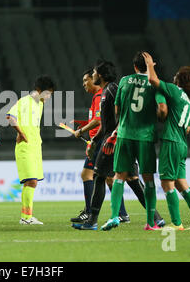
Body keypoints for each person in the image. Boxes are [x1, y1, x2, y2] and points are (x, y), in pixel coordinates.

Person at [73, 60, 165, 230]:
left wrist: (114, 137)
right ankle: (156, 218)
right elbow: (105, 123)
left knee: (99, 176)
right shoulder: (107, 91)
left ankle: (92, 221)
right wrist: (94, 141)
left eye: (93, 72)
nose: (92, 75)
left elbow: (122, 116)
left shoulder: (112, 90)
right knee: (132, 180)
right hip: (115, 138)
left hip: (115, 141)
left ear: (100, 75)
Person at [101, 52, 167, 231]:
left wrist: (121, 126)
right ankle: (150, 222)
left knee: (119, 176)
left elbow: (117, 109)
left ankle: (115, 216)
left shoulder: (124, 81)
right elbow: (162, 110)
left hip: (124, 134)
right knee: (148, 179)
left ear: (135, 67)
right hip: (145, 137)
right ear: (151, 65)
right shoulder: (155, 85)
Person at [143, 52, 190, 230]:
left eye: (175, 77)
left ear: (179, 80)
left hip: (171, 141)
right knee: (182, 183)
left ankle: (176, 223)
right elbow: (187, 128)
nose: (173, 79)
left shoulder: (175, 91)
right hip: (182, 143)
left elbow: (154, 81)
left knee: (167, 183)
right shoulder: (189, 101)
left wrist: (150, 65)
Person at [70, 68, 129, 224]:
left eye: (86, 80)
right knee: (109, 178)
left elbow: (99, 121)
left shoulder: (100, 96)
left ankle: (90, 212)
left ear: (94, 79)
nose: (84, 84)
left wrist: (82, 131)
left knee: (90, 175)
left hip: (102, 142)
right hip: (100, 141)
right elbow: (98, 119)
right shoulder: (98, 96)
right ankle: (122, 213)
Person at [6, 75, 55, 225]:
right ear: (39, 90)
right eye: (47, 93)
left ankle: (27, 216)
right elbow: (10, 116)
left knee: (33, 182)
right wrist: (20, 133)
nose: (48, 97)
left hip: (35, 147)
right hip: (25, 148)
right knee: (31, 181)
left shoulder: (39, 104)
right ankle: (26, 217)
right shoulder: (25, 101)